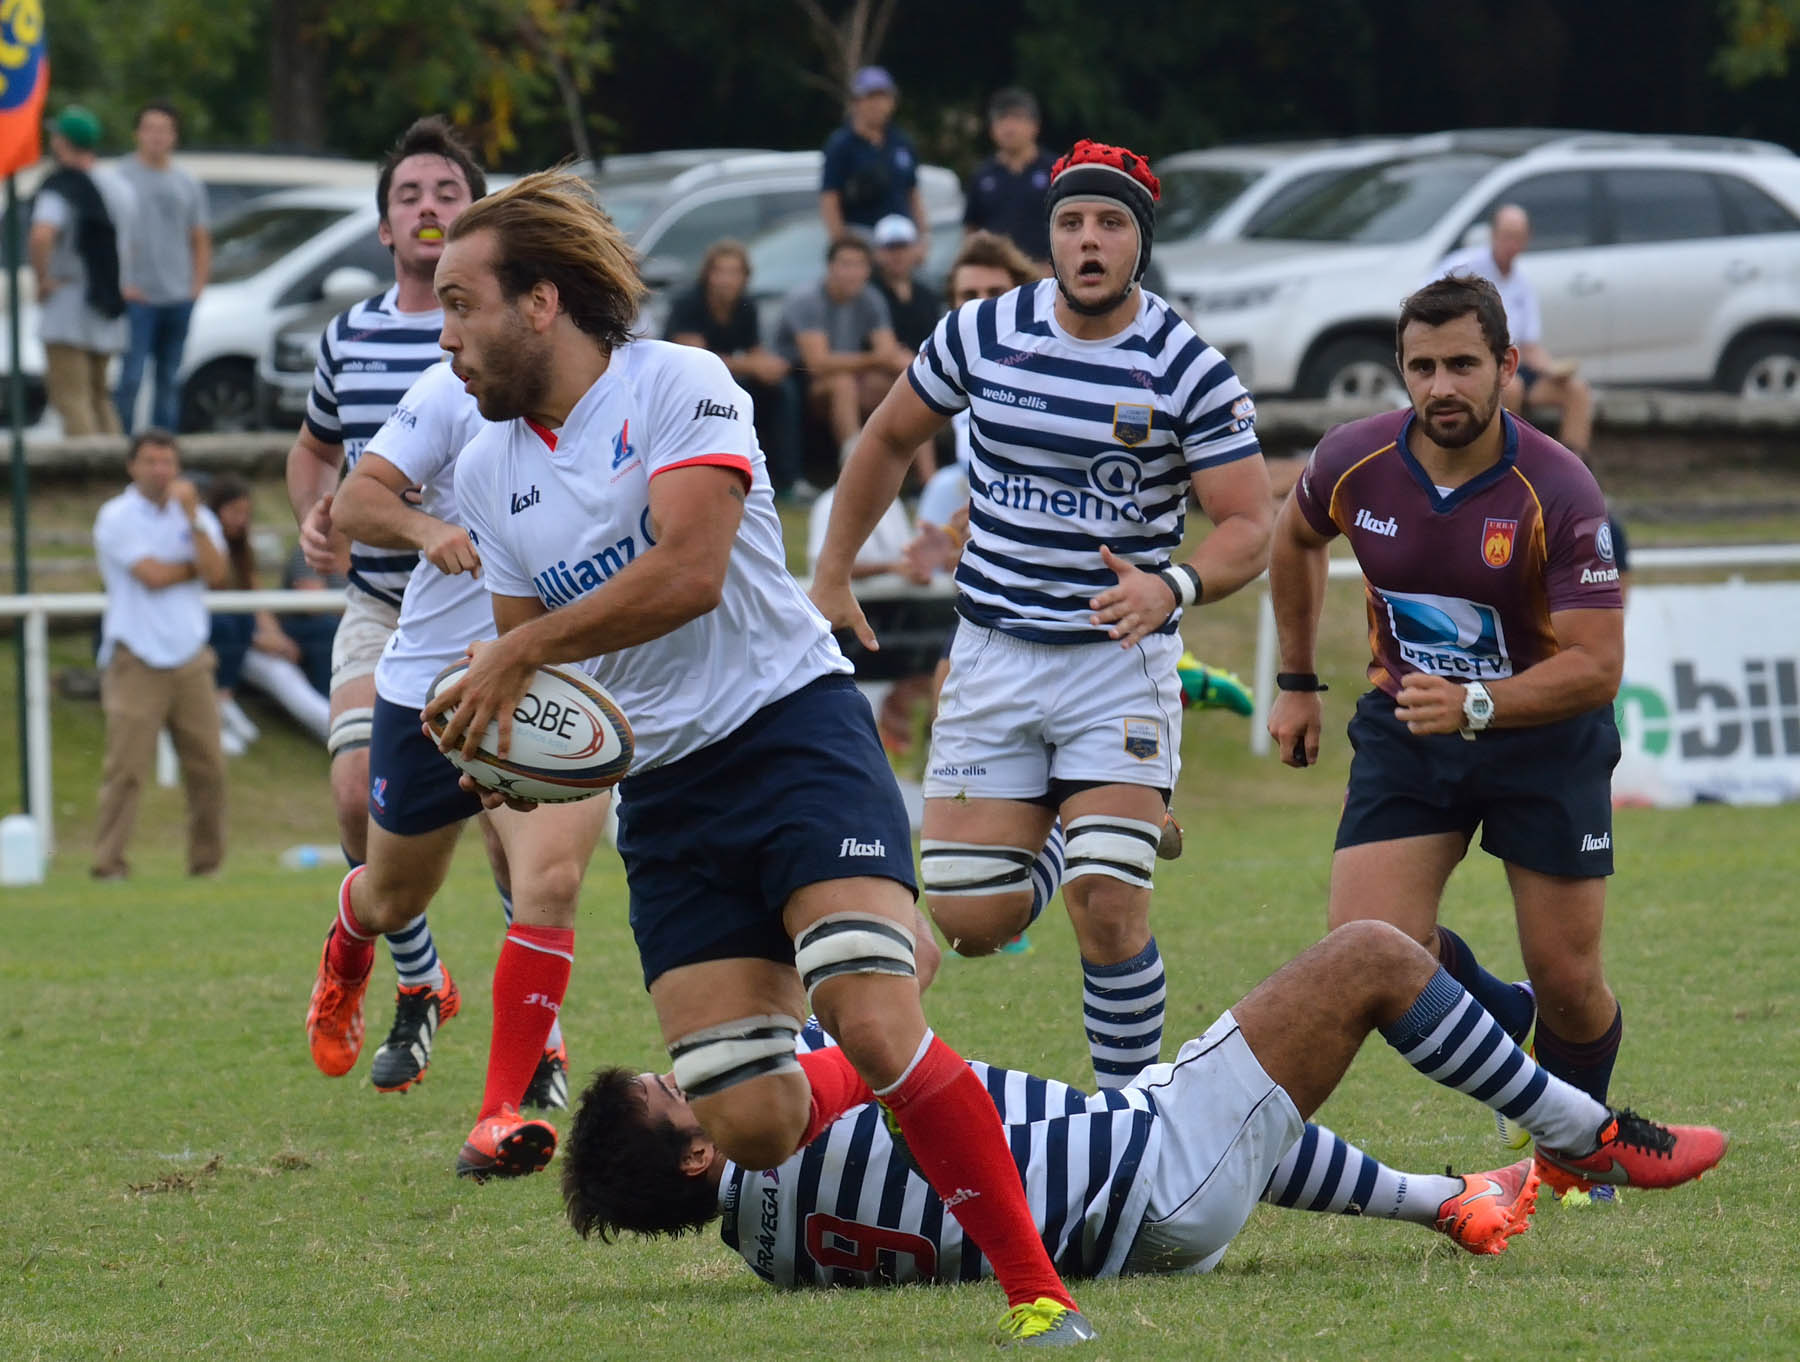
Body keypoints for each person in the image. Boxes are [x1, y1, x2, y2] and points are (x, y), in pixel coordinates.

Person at [414, 169, 1096, 1346]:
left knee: (868, 1020)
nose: (446, 337)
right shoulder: (486, 469)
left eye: (461, 304)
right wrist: (505, 752)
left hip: (791, 734)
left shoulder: (681, 386)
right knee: (751, 1124)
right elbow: (545, 679)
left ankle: (1039, 1294)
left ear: (541, 302)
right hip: (668, 799)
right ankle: (898, 948)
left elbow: (689, 573)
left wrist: (516, 650)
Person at [811, 141, 1274, 1092]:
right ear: (1050, 236)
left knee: (1107, 905)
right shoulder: (983, 332)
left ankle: (1132, 1121)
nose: (1088, 241)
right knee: (970, 921)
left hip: (1117, 662)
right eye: (1071, 223)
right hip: (993, 654)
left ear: (1140, 242)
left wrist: (1174, 586)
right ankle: (1081, 821)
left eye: (1110, 224)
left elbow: (1249, 524)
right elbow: (888, 437)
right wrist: (831, 573)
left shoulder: (1187, 366)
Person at [563, 920, 1727, 1290]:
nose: (695, 1067)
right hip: (1147, 1178)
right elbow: (909, 952)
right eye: (677, 1088)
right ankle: (1585, 1135)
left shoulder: (769, 1255)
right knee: (1373, 956)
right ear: (698, 1157)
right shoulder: (794, 1099)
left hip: (1131, 1212)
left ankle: (1449, 1202)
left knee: (1216, 1100)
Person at [1266, 274, 1632, 1199]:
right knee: (1369, 946)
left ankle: (1574, 1153)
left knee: (1568, 981)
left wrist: (1478, 704)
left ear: (1507, 366)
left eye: (1463, 365)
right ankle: (1499, 1014)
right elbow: (1294, 537)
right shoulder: (1354, 460)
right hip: (1410, 729)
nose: (1442, 387)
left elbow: (1597, 666)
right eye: (1422, 367)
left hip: (1546, 739)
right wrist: (1298, 682)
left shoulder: (1558, 486)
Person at [305, 359, 605, 1161]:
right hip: (432, 690)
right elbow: (354, 501)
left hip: (552, 685)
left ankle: (499, 1113)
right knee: (392, 895)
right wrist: (427, 531)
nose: (450, 334)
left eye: (463, 307)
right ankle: (350, 948)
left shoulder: (641, 391)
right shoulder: (454, 388)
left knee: (549, 883)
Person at [283, 116, 492, 1070]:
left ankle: (540, 1043)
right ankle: (420, 977)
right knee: (351, 798)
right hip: (383, 602)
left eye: (447, 193)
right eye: (409, 195)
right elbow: (314, 450)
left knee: (511, 835)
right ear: (383, 226)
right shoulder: (350, 335)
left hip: (490, 610)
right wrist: (312, 518)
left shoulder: (501, 329)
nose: (428, 207)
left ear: (475, 214)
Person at [91, 429, 228, 879]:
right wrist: (193, 568)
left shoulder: (196, 515)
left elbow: (218, 573)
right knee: (126, 769)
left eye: (168, 462)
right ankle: (108, 864)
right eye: (150, 461)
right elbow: (151, 576)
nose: (160, 471)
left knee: (209, 766)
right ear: (132, 466)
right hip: (135, 657)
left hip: (191, 656)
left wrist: (191, 518)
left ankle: (207, 865)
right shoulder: (115, 516)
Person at [1438, 205, 1594, 452]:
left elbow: (1530, 345)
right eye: (1507, 236)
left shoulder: (1523, 284)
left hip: (1515, 364)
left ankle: (1574, 464)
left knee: (1577, 390)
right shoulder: (1463, 268)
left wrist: (1552, 369)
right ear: (1493, 235)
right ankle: (1504, 458)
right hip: (1479, 365)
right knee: (1511, 387)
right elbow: (1426, 306)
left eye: (1518, 238)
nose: (1512, 244)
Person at [663, 240, 799, 495]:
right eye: (720, 271)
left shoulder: (746, 306)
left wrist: (769, 365)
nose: (726, 280)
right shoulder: (688, 303)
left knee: (782, 389)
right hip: (684, 386)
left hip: (729, 379)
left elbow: (754, 350)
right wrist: (753, 366)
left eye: (734, 272)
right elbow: (697, 358)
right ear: (707, 274)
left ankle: (787, 479)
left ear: (745, 277)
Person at [204, 476, 330, 751]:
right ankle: (220, 705)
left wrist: (276, 638)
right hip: (221, 640)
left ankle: (337, 730)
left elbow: (257, 602)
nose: (241, 520)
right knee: (273, 668)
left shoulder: (241, 554)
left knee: (285, 675)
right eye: (235, 511)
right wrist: (260, 639)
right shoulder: (206, 551)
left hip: (244, 640)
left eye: (246, 513)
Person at [30, 107, 134, 438]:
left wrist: (42, 278)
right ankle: (115, 461)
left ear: (63, 142)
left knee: (72, 398)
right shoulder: (119, 185)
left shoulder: (62, 186)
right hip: (107, 302)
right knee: (100, 398)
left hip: (68, 300)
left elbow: (42, 234)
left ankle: (85, 464)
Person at [773, 237, 920, 472]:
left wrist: (913, 369)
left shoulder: (871, 297)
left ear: (868, 270)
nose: (853, 272)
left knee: (908, 384)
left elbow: (888, 351)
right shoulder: (807, 299)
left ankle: (927, 477)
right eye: (846, 264)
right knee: (843, 384)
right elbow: (818, 363)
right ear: (830, 267)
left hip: (853, 376)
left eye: (859, 265)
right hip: (803, 383)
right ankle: (856, 467)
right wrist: (877, 358)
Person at [113, 102, 210, 434]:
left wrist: (197, 285)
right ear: (137, 134)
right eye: (149, 129)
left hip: (178, 295)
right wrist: (121, 283)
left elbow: (200, 237)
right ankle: (122, 447)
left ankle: (164, 446)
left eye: (163, 130)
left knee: (169, 378)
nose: (156, 136)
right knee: (130, 377)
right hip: (136, 296)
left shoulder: (187, 183)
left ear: (174, 136)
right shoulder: (119, 178)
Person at [819, 66, 926, 244]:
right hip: (862, 238)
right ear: (856, 102)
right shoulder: (841, 145)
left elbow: (913, 193)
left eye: (883, 97)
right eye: (870, 97)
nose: (877, 104)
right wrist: (840, 243)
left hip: (901, 239)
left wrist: (923, 237)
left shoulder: (901, 142)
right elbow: (830, 197)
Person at [961, 88, 1057, 264]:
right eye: (1001, 119)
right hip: (997, 270)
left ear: (1035, 125)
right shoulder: (982, 175)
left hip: (1045, 268)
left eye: (1017, 119)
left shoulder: (1054, 170)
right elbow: (972, 228)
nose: (1009, 128)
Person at [869, 213, 941, 353]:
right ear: (877, 252)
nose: (898, 255)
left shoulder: (927, 295)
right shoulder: (867, 293)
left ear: (915, 249)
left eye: (903, 247)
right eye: (890, 248)